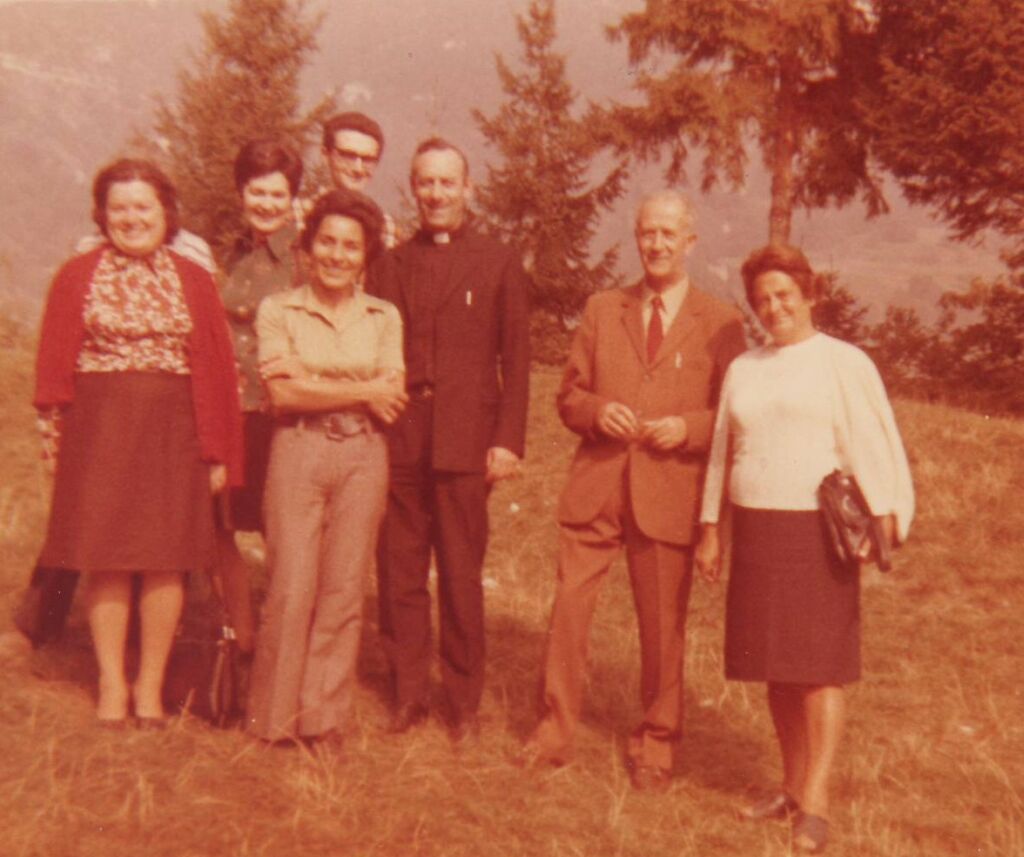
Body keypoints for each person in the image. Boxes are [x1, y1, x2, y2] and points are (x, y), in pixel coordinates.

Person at [519, 190, 746, 791]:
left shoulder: (721, 321)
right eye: (648, 233)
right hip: (597, 488)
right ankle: (554, 729)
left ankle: (657, 744)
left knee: (663, 625)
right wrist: (597, 411)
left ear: (690, 242)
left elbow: (734, 415)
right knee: (570, 609)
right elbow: (568, 396)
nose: (657, 244)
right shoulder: (603, 308)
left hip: (668, 494)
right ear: (636, 237)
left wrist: (688, 429)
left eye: (669, 234)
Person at [696, 244, 914, 852]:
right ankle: (791, 785)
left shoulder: (843, 363)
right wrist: (711, 526)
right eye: (762, 299)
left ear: (809, 295)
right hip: (757, 529)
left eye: (784, 295)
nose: (774, 308)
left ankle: (816, 800)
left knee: (819, 670)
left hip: (816, 534)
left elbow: (875, 441)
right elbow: (722, 450)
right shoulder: (745, 367)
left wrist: (885, 516)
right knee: (777, 668)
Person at [33, 158, 243, 727]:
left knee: (166, 561)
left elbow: (220, 371)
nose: (131, 218)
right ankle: (111, 683)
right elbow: (53, 367)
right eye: (119, 208)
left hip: (175, 431)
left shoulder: (194, 278)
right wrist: (53, 442)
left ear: (166, 213)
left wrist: (219, 453)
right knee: (104, 557)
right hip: (98, 432)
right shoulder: (77, 275)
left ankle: (149, 687)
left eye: (143, 207)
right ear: (102, 215)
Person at [370, 137, 530, 741]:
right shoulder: (390, 265)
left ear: (468, 188)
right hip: (401, 437)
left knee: (461, 574)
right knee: (400, 571)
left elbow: (517, 359)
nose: (436, 194)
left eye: (447, 182)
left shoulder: (497, 261)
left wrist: (507, 440)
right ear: (414, 189)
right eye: (425, 182)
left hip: (466, 440)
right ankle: (408, 691)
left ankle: (463, 701)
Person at [246, 189, 407, 745]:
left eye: (350, 246)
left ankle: (323, 718)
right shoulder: (279, 310)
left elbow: (392, 395)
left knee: (343, 588)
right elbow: (282, 396)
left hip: (364, 456)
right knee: (291, 585)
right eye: (328, 243)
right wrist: (361, 390)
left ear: (366, 256)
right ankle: (272, 720)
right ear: (309, 248)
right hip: (298, 449)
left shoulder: (384, 317)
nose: (338, 255)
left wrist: (321, 386)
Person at [215, 139, 304, 653]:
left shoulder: (304, 257)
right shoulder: (234, 254)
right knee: (219, 524)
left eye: (277, 194)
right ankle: (241, 634)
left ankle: (283, 638)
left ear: (292, 198)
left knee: (281, 530)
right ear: (240, 193)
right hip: (232, 410)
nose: (267, 204)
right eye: (257, 192)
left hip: (280, 414)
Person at [317, 111, 397, 249]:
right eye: (348, 156)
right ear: (325, 156)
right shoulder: (299, 213)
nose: (358, 169)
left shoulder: (384, 225)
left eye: (368, 159)